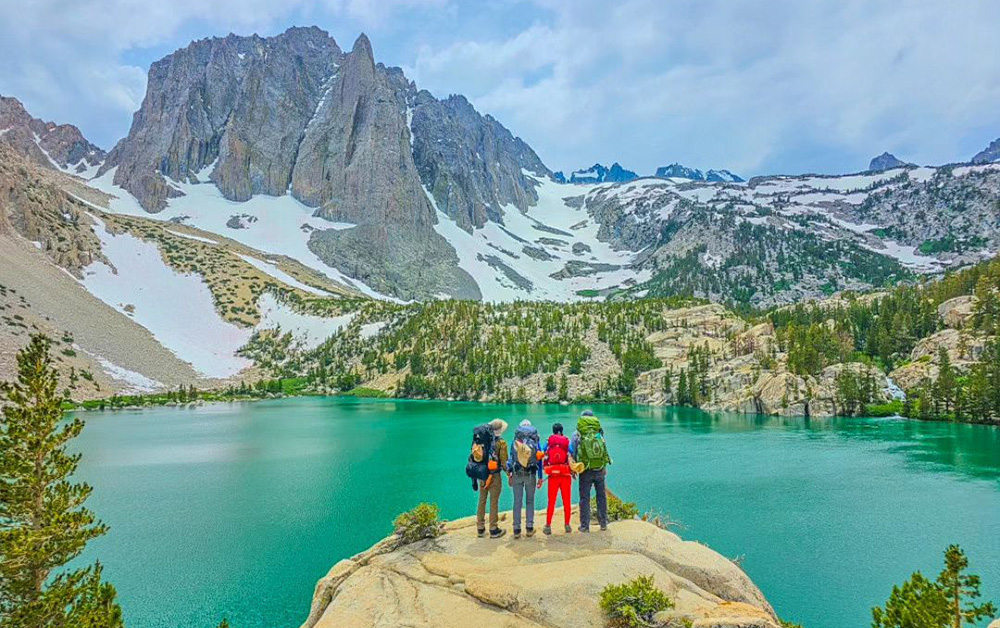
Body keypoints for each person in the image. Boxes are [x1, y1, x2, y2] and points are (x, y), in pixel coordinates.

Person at [570, 410, 611, 532]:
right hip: (600, 469)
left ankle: (584, 526)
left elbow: (573, 452)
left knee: (584, 498)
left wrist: (574, 468)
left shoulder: (577, 433)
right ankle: (603, 523)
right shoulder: (599, 432)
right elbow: (603, 450)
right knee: (601, 496)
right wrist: (604, 466)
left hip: (585, 469)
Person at [508, 419, 544, 538]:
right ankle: (529, 528)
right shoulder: (535, 440)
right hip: (531, 473)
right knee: (530, 501)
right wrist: (540, 476)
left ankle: (516, 529)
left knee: (517, 501)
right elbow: (539, 459)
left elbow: (511, 459)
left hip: (517, 473)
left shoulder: (515, 441)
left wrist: (510, 475)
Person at [477, 418, 509, 539]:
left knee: (482, 499)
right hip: (494, 475)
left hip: (482, 474)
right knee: (493, 501)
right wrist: (509, 473)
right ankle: (493, 529)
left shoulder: (482, 440)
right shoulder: (501, 443)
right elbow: (504, 462)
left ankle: (480, 527)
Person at [542, 422, 574, 535]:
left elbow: (542, 451)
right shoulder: (566, 441)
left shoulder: (549, 441)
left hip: (553, 476)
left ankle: (548, 526)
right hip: (565, 475)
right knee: (567, 501)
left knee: (551, 501)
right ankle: (567, 525)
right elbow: (572, 452)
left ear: (553, 431)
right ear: (561, 430)